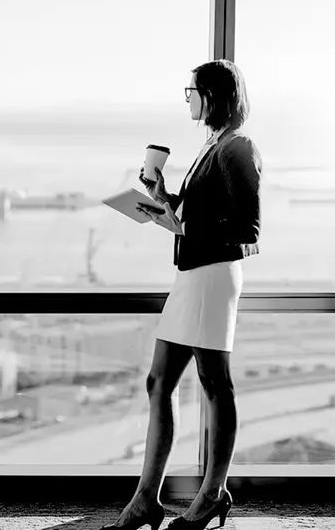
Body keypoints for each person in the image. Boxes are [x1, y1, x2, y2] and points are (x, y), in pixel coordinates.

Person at [101, 59, 262, 530]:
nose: (187, 98)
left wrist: (185, 223)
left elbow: (248, 228)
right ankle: (146, 499)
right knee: (159, 383)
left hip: (213, 277)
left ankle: (212, 494)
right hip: (192, 276)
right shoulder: (212, 146)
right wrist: (163, 200)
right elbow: (198, 216)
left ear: (212, 95)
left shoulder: (239, 148)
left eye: (190, 90)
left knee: (216, 384)